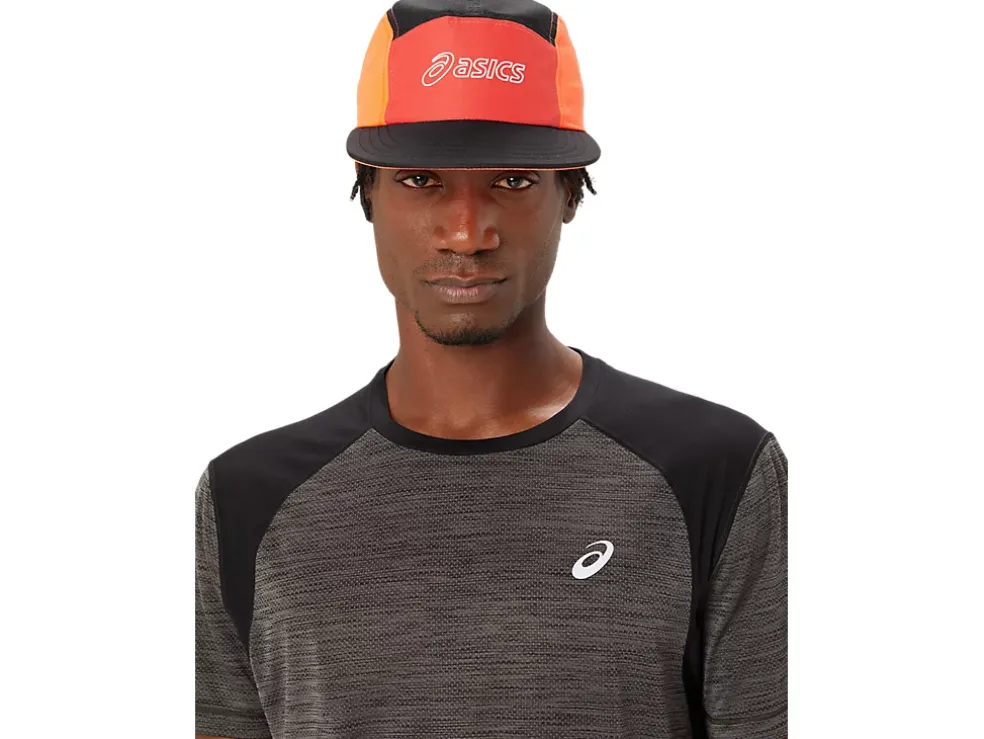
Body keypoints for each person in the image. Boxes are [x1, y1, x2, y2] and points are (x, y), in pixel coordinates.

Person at [194, 1, 788, 737]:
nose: (467, 233)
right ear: (366, 192)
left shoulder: (716, 470)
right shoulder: (247, 499)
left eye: (512, 180)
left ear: (570, 193)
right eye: (421, 180)